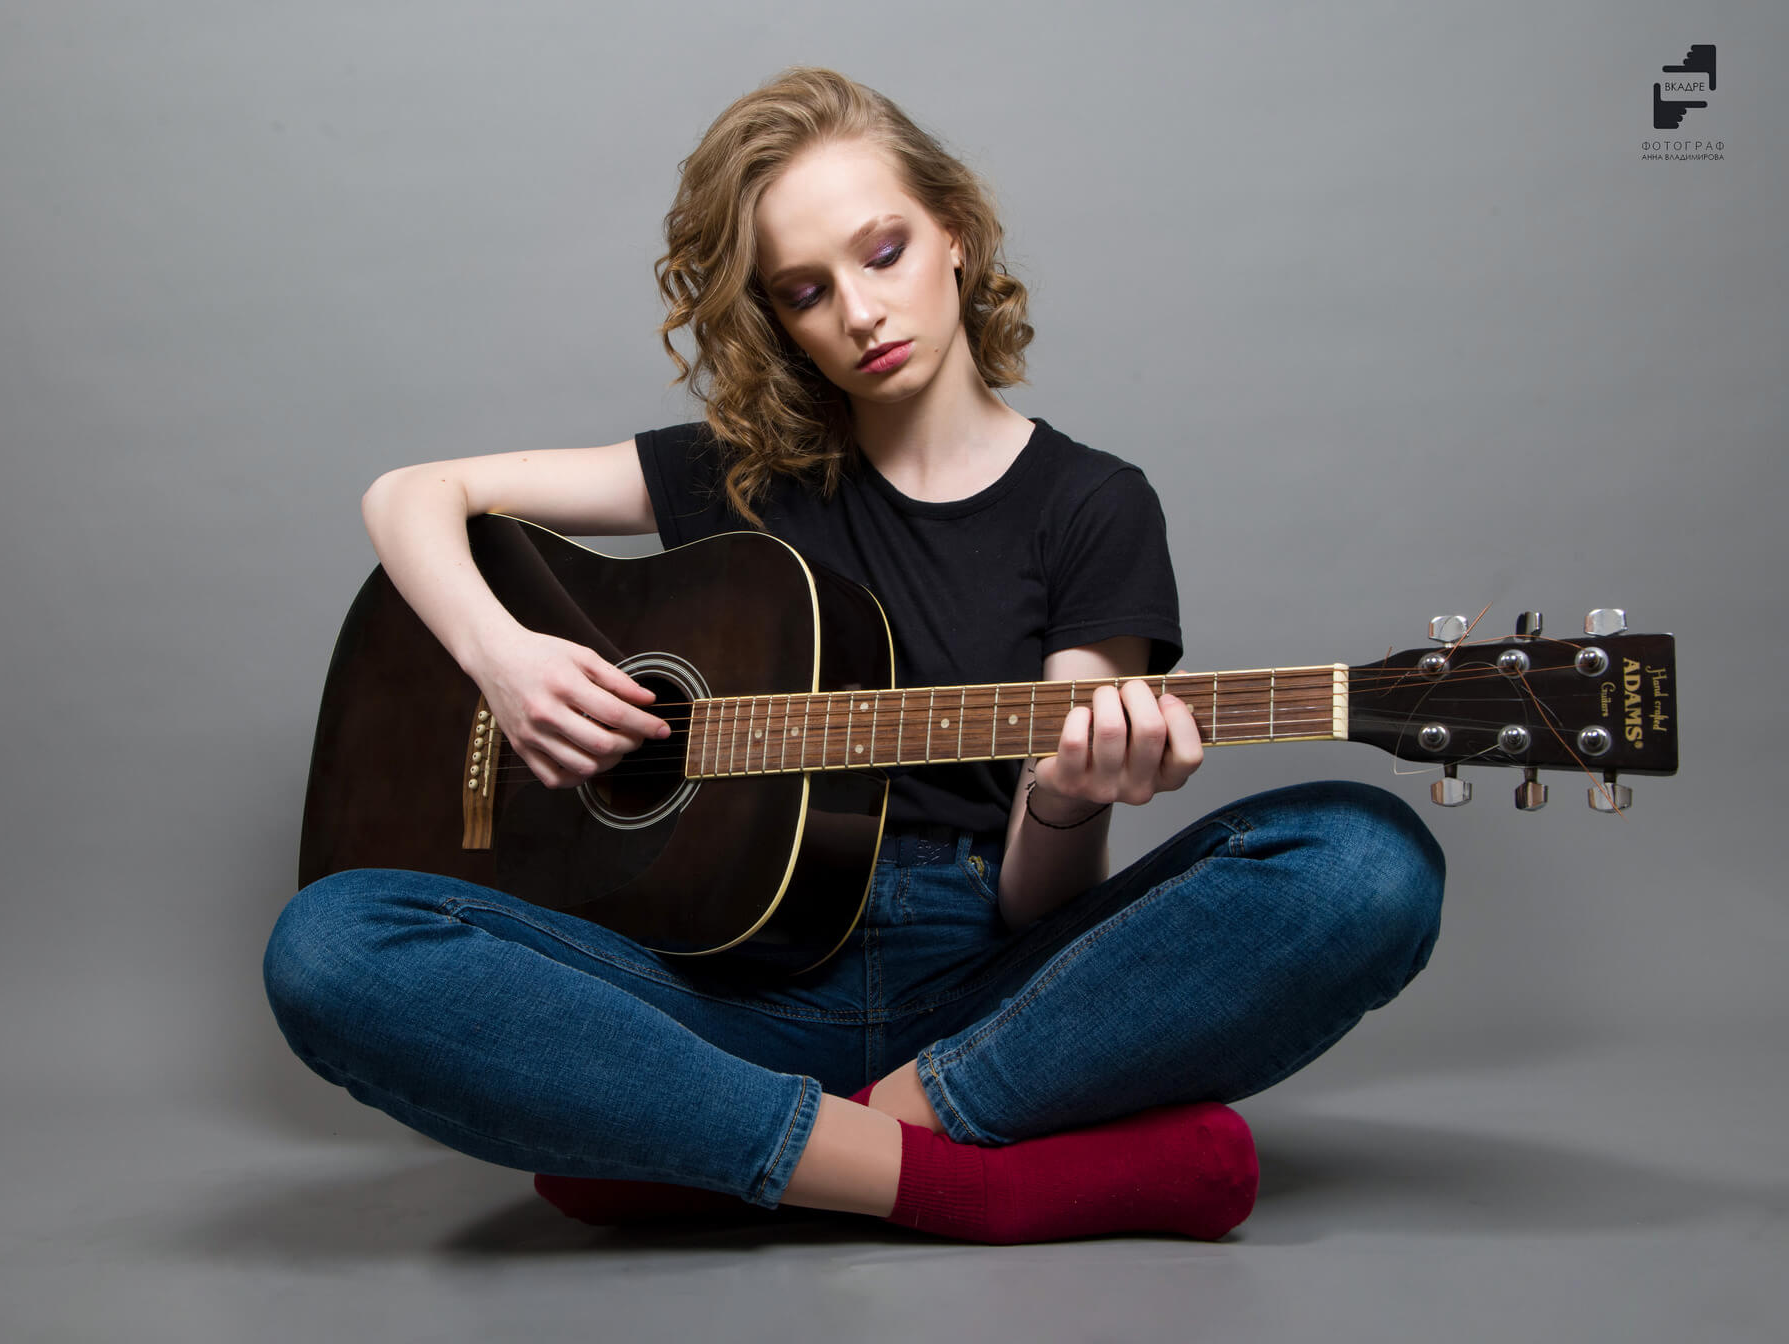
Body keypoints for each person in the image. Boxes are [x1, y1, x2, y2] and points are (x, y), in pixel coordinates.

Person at [262, 66, 1445, 1246]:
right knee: (330, 945)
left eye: (883, 254)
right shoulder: (734, 473)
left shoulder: (1092, 507)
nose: (862, 313)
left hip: (985, 997)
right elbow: (411, 494)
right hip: (721, 994)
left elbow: (1041, 907)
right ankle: (957, 1179)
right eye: (806, 291)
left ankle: (752, 1147)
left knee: (1366, 862)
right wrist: (505, 661)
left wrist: (1070, 797)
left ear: (956, 234)